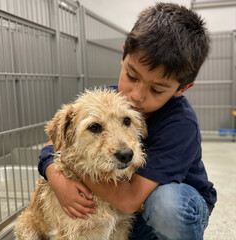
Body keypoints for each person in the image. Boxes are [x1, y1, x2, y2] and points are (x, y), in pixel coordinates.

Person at [38, 3, 217, 240]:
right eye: (132, 76)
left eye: (156, 89)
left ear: (182, 89)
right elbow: (53, 145)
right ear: (123, 55)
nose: (136, 96)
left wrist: (71, 169)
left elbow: (129, 200)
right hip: (128, 206)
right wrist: (55, 177)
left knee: (166, 205)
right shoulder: (108, 101)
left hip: (172, 207)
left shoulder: (181, 124)